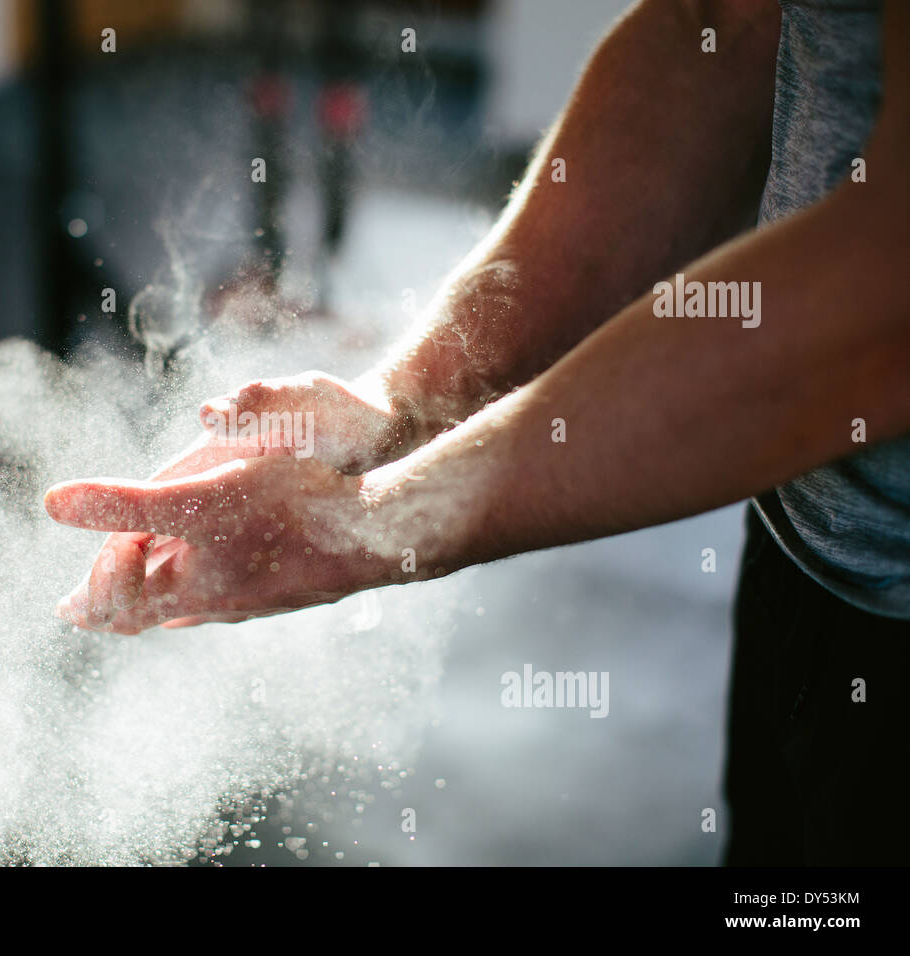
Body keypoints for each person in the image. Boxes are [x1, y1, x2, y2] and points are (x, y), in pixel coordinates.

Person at [45, 0, 909, 864]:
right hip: (814, 551)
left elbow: (886, 296)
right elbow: (716, 28)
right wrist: (399, 406)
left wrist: (368, 525)